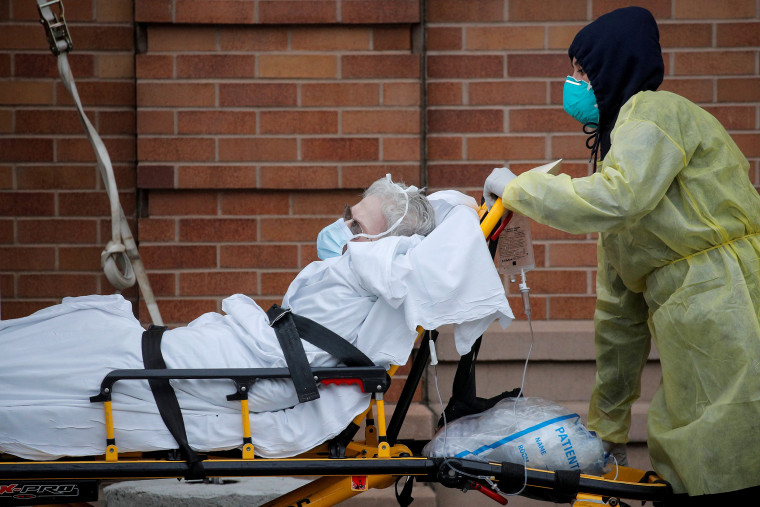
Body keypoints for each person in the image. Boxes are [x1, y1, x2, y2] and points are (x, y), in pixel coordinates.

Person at [0, 175, 514, 460]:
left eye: (354, 222)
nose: (342, 224)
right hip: (251, 348)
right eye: (347, 213)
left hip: (257, 364)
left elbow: (434, 250)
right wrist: (467, 208)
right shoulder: (360, 258)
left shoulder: (372, 262)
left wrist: (472, 214)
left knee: (94, 348)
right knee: (94, 329)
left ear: (382, 240)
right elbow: (440, 213)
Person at [483, 6, 760, 504]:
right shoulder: (620, 156)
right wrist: (605, 433)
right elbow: (618, 315)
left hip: (734, 297)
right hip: (692, 320)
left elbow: (617, 195)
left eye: (582, 71)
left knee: (739, 439)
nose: (573, 82)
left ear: (615, 67)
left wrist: (519, 188)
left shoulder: (655, 113)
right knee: (702, 450)